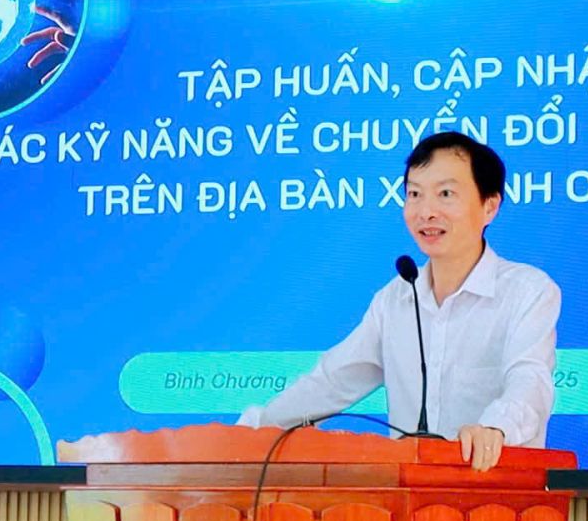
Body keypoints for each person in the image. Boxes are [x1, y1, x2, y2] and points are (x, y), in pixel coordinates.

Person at [237, 132, 560, 471]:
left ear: (489, 206)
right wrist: (252, 432)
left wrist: (495, 428)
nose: (426, 211)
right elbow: (332, 382)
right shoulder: (396, 299)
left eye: (445, 194)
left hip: (500, 491)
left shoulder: (528, 291)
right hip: (408, 495)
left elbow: (530, 379)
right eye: (414, 194)